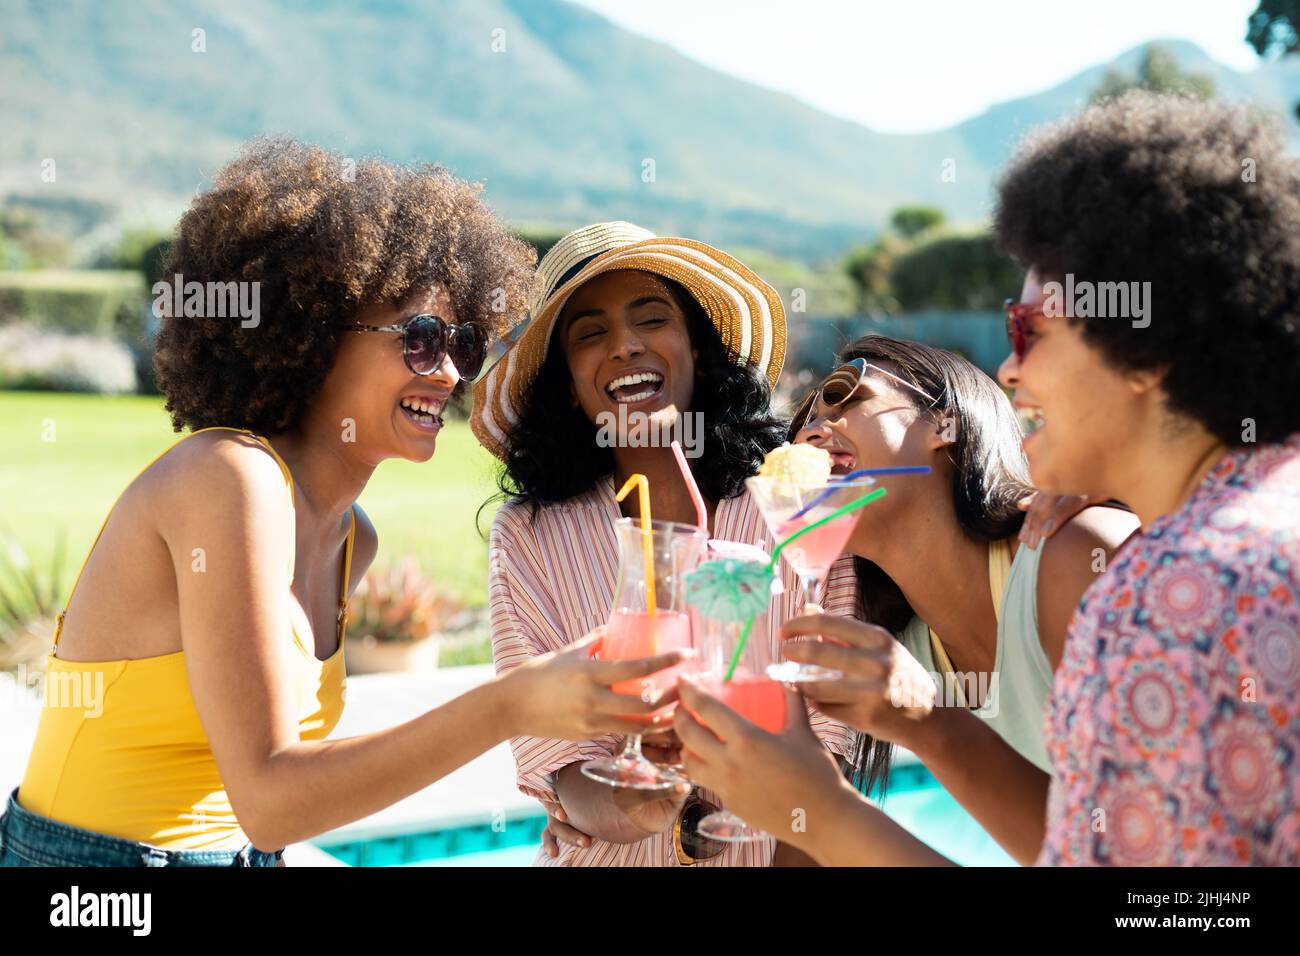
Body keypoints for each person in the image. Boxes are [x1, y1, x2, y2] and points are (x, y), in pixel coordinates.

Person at [0, 142, 689, 868]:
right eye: (421, 338)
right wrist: (512, 703)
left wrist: (574, 797)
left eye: (463, 341)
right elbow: (271, 801)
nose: (450, 370)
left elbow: (287, 792)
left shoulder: (352, 538)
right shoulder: (226, 477)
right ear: (314, 335)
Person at [674, 92, 1300, 866]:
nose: (1008, 367)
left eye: (1028, 330)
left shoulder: (1162, 585)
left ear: (1144, 344)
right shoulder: (1257, 519)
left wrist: (818, 812)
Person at [472, 222, 857, 866]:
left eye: (652, 320)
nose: (624, 346)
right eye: (590, 334)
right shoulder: (531, 535)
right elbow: (559, 767)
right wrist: (640, 799)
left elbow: (832, 739)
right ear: (568, 381)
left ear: (697, 351)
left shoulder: (796, 502)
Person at [783, 335, 1136, 862]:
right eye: (802, 423)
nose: (810, 432)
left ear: (945, 424)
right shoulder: (891, 649)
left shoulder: (1076, 558)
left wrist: (926, 723)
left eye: (845, 394)